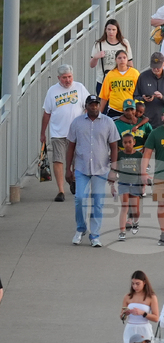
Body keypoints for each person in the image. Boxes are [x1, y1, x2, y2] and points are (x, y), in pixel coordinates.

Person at [66, 94, 119, 247]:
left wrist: (113, 170)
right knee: (80, 198)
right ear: (86, 106)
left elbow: (114, 147)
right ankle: (81, 229)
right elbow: (71, 147)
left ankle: (95, 235)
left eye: (96, 104)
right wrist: (68, 169)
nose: (94, 107)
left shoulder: (108, 122)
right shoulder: (77, 123)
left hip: (101, 168)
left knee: (97, 202)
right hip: (81, 167)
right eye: (91, 104)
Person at [40, 65, 88, 202]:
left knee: (76, 161)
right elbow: (47, 113)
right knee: (58, 159)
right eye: (64, 78)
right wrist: (42, 133)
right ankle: (61, 190)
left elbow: (88, 106)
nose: (68, 80)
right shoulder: (52, 91)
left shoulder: (79, 87)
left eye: (70, 77)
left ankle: (72, 180)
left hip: (76, 132)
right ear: (58, 78)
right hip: (58, 132)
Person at [90, 21, 134, 107]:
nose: (111, 32)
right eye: (109, 29)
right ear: (105, 30)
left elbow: (130, 63)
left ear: (117, 31)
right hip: (103, 80)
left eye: (114, 30)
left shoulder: (124, 43)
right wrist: (96, 57)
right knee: (104, 107)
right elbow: (92, 65)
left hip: (120, 81)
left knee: (120, 106)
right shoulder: (99, 44)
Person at [120, 271, 160, 343]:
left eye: (138, 284)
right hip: (130, 328)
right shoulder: (128, 296)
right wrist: (125, 314)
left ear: (144, 282)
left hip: (144, 328)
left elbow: (156, 318)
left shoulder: (151, 297)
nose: (135, 287)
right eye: (133, 284)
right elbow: (122, 317)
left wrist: (143, 313)